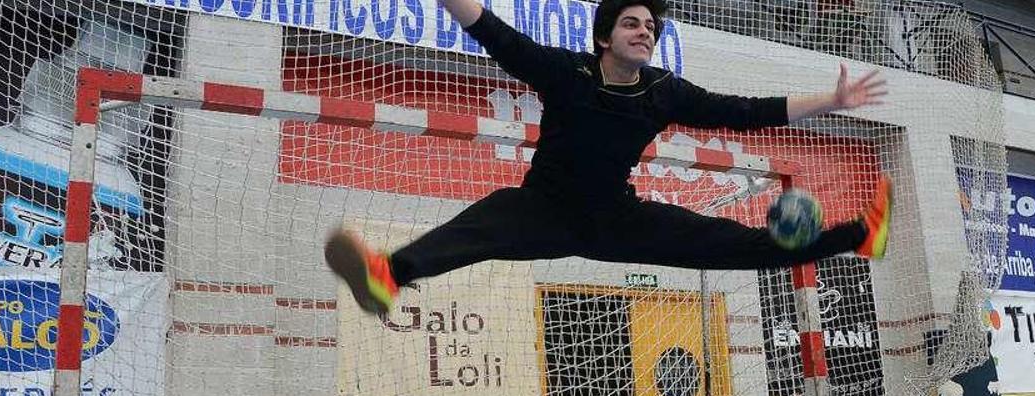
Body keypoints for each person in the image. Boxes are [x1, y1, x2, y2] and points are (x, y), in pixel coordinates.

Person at [325, 0, 891, 316]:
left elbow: (745, 110)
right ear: (604, 36)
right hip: (543, 209)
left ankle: (857, 236)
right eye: (631, 23)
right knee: (482, 223)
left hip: (618, 219)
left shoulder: (663, 91)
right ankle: (387, 278)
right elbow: (493, 33)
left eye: (651, 27)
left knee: (737, 246)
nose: (644, 32)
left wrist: (832, 101)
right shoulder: (566, 73)